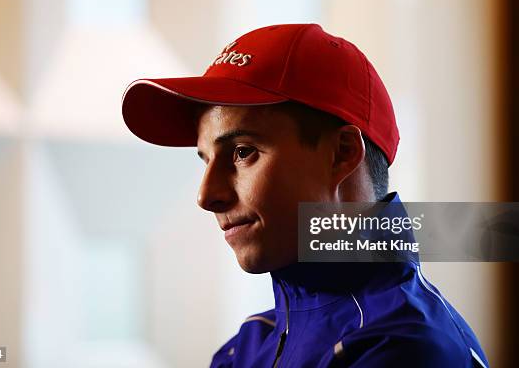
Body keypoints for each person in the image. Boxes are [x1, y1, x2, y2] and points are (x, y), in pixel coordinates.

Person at [121, 23, 489, 367]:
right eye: (205, 160)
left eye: (242, 151)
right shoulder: (248, 346)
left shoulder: (404, 348)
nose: (206, 195)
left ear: (342, 152)